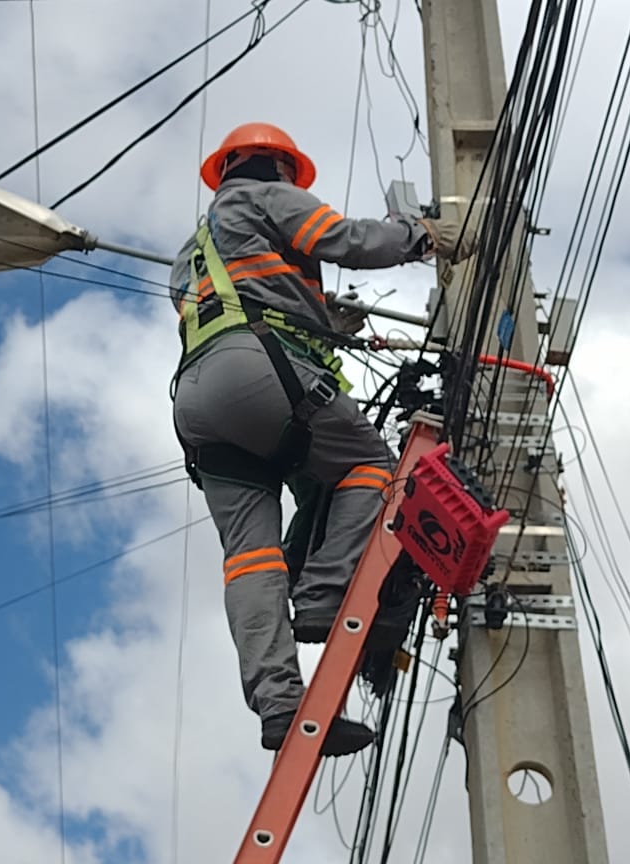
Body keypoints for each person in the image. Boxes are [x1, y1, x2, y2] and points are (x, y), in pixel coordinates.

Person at [169, 122, 475, 755]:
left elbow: (242, 296)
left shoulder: (192, 250)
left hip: (197, 397)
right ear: (276, 165)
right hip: (260, 369)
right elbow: (344, 240)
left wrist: (324, 318)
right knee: (369, 468)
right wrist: (424, 237)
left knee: (250, 557)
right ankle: (319, 598)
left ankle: (279, 706)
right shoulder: (263, 195)